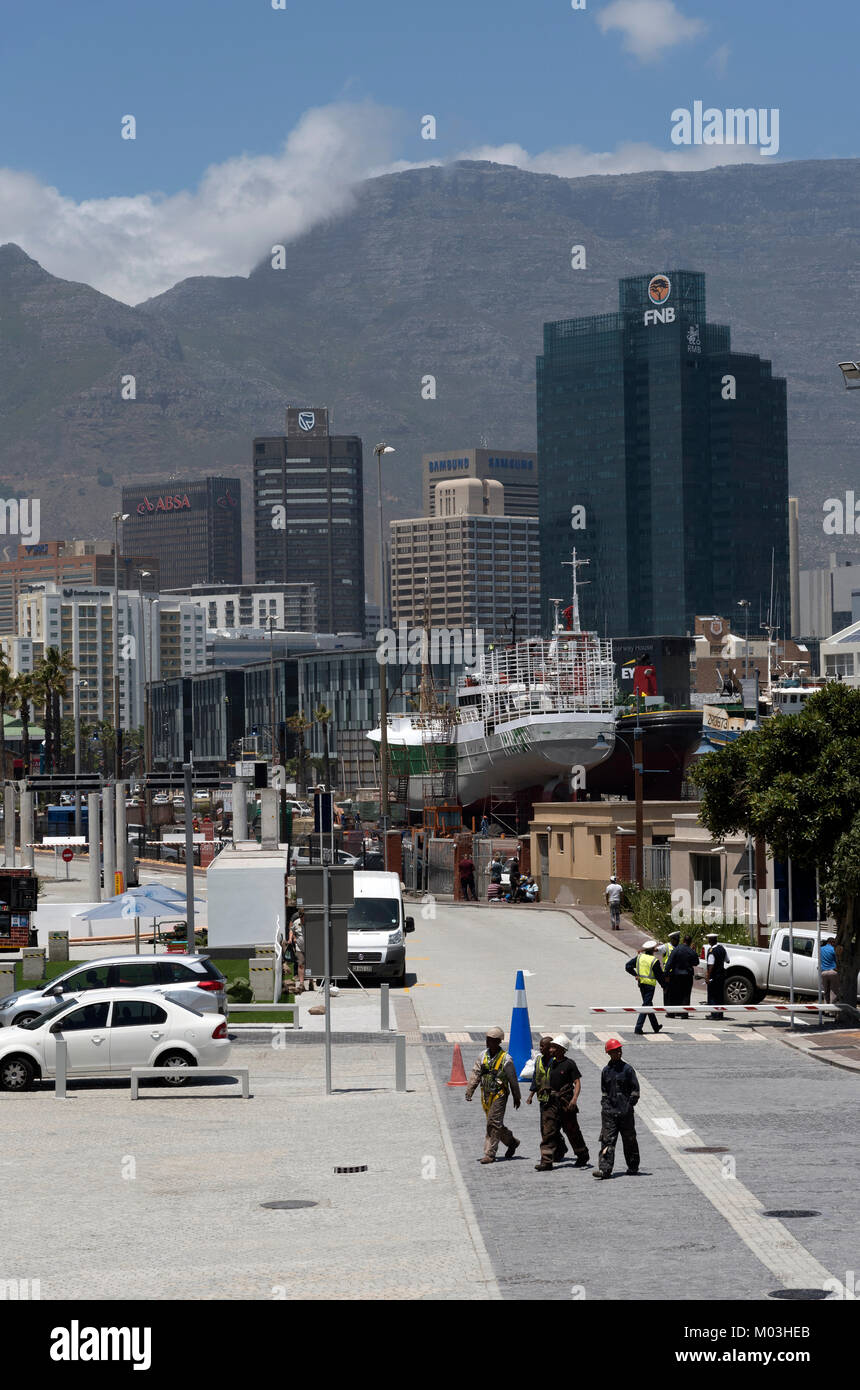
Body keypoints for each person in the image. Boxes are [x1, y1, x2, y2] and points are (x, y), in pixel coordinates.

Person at [465, 1026, 521, 1164]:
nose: (488, 1042)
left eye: (491, 1040)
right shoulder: (483, 1056)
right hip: (486, 1094)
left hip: (499, 1095)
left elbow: (513, 1079)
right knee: (494, 1123)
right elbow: (476, 1073)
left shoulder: (506, 1059)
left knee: (493, 1123)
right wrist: (470, 1089)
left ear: (498, 1041)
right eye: (487, 1039)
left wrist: (516, 1096)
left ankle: (490, 1153)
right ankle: (511, 1141)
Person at [535, 1034, 590, 1171]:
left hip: (566, 1103)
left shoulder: (569, 1064)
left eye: (554, 1047)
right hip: (550, 1102)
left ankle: (582, 1155)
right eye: (551, 1047)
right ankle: (546, 1160)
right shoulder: (550, 1063)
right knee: (548, 1131)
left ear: (561, 1049)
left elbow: (577, 1082)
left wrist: (574, 1099)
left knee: (572, 1131)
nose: (551, 1049)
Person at [593, 1039, 641, 1180]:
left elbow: (635, 1090)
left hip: (625, 1113)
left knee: (630, 1140)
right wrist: (606, 1107)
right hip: (609, 1113)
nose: (618, 1052)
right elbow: (604, 1092)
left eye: (620, 1050)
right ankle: (605, 1170)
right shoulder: (606, 1071)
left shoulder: (628, 1070)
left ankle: (633, 1166)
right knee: (607, 1141)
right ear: (609, 1053)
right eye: (615, 1051)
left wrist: (629, 1105)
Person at [527, 1034, 567, 1163]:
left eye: (542, 1046)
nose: (540, 1049)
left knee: (551, 1127)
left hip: (555, 1099)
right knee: (545, 1127)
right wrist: (531, 1095)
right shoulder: (539, 1060)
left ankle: (551, 1154)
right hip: (542, 1099)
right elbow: (535, 1078)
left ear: (551, 1048)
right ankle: (560, 1147)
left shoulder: (556, 1062)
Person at [633, 939, 664, 1035]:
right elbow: (659, 976)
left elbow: (628, 966)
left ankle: (655, 1026)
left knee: (648, 1004)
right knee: (646, 1005)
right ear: (652, 950)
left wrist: (636, 975)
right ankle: (638, 1027)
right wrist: (665, 986)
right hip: (650, 985)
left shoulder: (639, 957)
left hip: (641, 984)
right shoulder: (654, 961)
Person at [665, 933, 699, 1016]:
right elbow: (696, 962)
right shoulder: (691, 951)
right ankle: (683, 1014)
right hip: (687, 976)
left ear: (683, 940)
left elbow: (669, 962)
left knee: (674, 994)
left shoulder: (676, 949)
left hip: (676, 975)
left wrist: (666, 974)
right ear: (690, 942)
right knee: (686, 994)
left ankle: (671, 1013)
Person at [705, 931, 728, 1020]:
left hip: (713, 976)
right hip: (721, 976)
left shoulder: (711, 951)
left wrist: (708, 976)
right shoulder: (722, 949)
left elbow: (711, 965)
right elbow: (727, 960)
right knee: (720, 996)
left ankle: (714, 1014)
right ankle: (720, 1014)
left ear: (710, 940)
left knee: (712, 995)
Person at [288, 908, 307, 993]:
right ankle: (301, 984)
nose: (302, 917)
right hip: (299, 947)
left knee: (310, 965)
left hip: (310, 947)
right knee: (300, 964)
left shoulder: (310, 922)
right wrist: (291, 938)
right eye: (301, 915)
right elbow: (292, 930)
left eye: (303, 915)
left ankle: (310, 982)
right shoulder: (296, 922)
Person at [819, 934, 840, 1004]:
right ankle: (832, 1011)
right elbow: (838, 960)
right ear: (832, 942)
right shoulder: (833, 950)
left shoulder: (821, 949)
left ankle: (826, 1010)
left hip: (823, 972)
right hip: (832, 972)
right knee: (833, 992)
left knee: (826, 992)